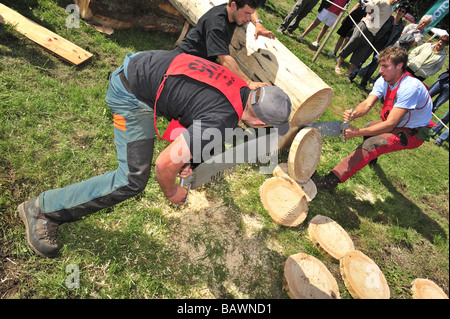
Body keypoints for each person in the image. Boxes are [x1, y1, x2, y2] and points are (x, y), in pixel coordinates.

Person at [17, 50, 292, 258]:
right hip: (129, 94)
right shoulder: (222, 120)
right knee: (132, 179)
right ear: (261, 123)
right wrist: (172, 191)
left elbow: (197, 104)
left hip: (140, 67)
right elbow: (164, 165)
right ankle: (43, 209)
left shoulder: (240, 85)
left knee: (186, 149)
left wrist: (189, 157)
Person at [313, 46, 434, 190]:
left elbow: (390, 124)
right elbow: (367, 103)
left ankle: (331, 181)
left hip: (413, 132)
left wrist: (356, 133)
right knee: (371, 126)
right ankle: (372, 158)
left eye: (385, 66)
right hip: (398, 123)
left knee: (371, 144)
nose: (380, 71)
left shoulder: (411, 87)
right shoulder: (385, 79)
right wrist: (354, 113)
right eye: (380, 66)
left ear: (400, 66)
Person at [175, 0, 274, 90]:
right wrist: (248, 82)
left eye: (250, 14)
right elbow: (225, 60)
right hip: (185, 62)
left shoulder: (233, 11)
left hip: (203, 63)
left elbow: (250, 10)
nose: (248, 18)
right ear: (234, 6)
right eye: (246, 14)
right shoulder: (217, 24)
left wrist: (258, 23)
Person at [334, 0, 399, 77]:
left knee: (360, 55)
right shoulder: (382, 1)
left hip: (373, 34)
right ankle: (338, 66)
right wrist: (369, 15)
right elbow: (368, 6)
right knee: (351, 45)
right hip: (365, 27)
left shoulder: (391, 10)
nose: (396, 1)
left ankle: (348, 73)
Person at [355, 1, 409, 88]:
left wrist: (388, 50)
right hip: (375, 41)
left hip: (384, 49)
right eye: (400, 10)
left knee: (374, 65)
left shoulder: (401, 26)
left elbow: (395, 38)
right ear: (397, 9)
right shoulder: (389, 18)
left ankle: (363, 83)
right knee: (363, 58)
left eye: (403, 12)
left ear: (404, 14)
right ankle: (353, 74)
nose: (400, 12)